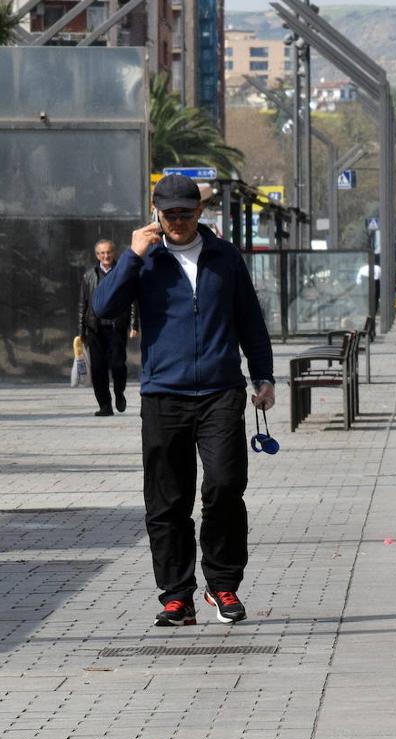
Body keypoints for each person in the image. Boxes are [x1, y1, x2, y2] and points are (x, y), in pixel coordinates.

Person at [93, 173, 275, 628]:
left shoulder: (224, 257)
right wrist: (132, 256)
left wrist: (264, 376)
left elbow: (249, 319)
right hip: (163, 396)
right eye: (169, 213)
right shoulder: (146, 259)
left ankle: (223, 585)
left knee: (225, 487)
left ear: (200, 212)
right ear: (156, 213)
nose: (177, 221)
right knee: (167, 500)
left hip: (220, 392)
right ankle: (177, 595)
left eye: (185, 213)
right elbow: (103, 308)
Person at [78, 239, 138, 416]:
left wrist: (134, 324)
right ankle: (105, 405)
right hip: (94, 329)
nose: (106, 256)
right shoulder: (89, 276)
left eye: (109, 252)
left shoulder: (123, 273)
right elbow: (83, 304)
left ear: (114, 253)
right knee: (98, 369)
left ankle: (119, 393)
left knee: (118, 365)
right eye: (102, 253)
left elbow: (133, 300)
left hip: (116, 327)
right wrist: (80, 331)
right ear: (97, 255)